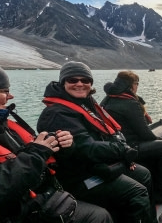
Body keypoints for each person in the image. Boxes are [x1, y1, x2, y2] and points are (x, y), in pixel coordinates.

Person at [36, 61, 155, 223]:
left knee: (144, 174)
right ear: (63, 82)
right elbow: (87, 149)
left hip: (95, 165)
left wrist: (122, 152)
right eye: (72, 80)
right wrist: (122, 151)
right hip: (79, 178)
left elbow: (109, 133)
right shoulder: (57, 114)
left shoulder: (85, 103)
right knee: (137, 192)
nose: (79, 84)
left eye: (85, 80)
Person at [0, 67, 113, 223]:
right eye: (4, 91)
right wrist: (38, 152)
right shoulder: (56, 113)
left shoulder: (5, 126)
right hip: (20, 210)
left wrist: (65, 145)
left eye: (85, 80)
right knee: (103, 213)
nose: (10, 96)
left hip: (41, 194)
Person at [100, 70, 162, 203]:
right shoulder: (130, 103)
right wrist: (160, 139)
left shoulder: (108, 98)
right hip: (130, 147)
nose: (137, 86)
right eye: (136, 83)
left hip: (116, 145)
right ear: (131, 85)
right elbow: (145, 134)